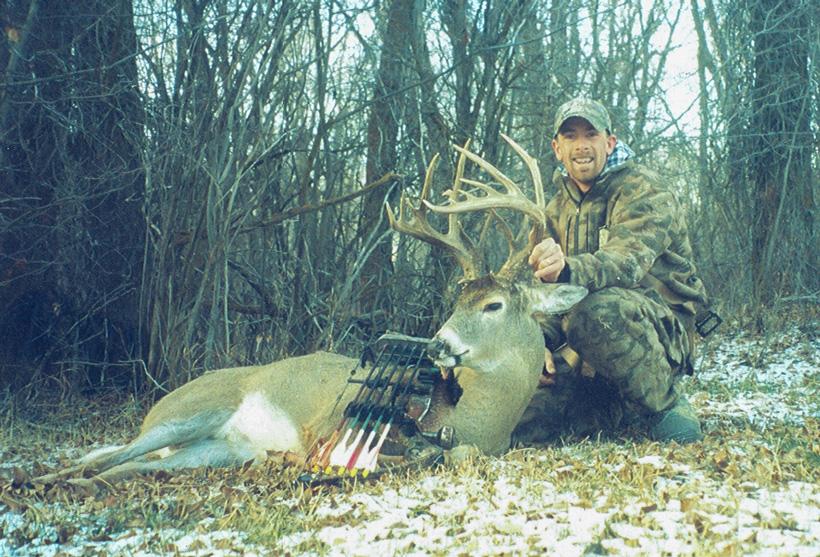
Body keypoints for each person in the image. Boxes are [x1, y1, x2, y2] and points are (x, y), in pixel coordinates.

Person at [520, 97, 709, 444]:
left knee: (597, 312)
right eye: (571, 137)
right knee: (528, 424)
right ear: (557, 149)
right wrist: (538, 345)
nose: (581, 146)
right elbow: (549, 296)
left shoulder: (645, 190)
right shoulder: (553, 209)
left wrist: (566, 269)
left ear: (609, 142)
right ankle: (611, 403)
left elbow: (627, 262)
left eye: (590, 135)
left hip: (660, 328)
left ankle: (665, 405)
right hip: (582, 341)